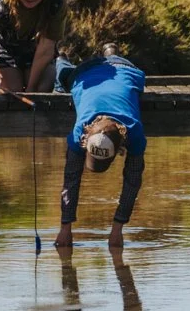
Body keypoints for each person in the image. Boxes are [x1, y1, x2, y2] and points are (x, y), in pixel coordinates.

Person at [54, 44, 146, 252]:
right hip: (88, 72)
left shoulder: (134, 131)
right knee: (62, 77)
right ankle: (64, 58)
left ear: (121, 145)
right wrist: (65, 227)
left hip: (125, 70)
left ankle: (106, 54)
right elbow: (71, 180)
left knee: (66, 76)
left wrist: (117, 228)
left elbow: (133, 179)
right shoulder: (81, 132)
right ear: (86, 142)